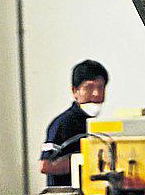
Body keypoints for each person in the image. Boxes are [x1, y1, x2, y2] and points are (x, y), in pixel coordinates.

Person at [39, 59, 110, 187]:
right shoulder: (63, 123)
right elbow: (45, 165)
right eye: (89, 87)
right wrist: (85, 159)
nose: (97, 93)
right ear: (74, 91)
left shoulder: (99, 124)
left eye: (101, 87)